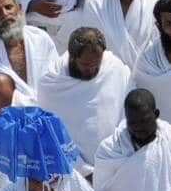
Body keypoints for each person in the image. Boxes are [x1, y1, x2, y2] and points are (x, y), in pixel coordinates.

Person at [35, 27, 130, 167]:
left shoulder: (114, 67)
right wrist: (82, 170)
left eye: (96, 63)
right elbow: (50, 134)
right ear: (72, 56)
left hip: (114, 162)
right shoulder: (51, 84)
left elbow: (128, 112)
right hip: (71, 169)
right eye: (85, 64)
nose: (91, 69)